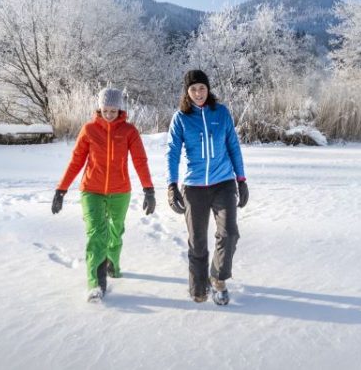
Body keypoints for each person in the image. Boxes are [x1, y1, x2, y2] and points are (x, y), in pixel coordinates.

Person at [52, 87, 157, 302]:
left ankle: (112, 263)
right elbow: (76, 161)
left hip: (120, 191)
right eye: (105, 110)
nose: (109, 115)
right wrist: (61, 190)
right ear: (99, 109)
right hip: (91, 190)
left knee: (115, 232)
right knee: (96, 234)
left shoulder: (129, 131)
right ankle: (96, 283)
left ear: (120, 109)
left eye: (113, 110)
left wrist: (149, 190)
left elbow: (140, 161)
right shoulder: (89, 130)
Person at [166, 70, 249, 305]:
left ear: (208, 89)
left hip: (223, 182)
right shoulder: (181, 118)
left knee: (229, 233)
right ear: (187, 92)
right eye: (193, 89)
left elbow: (233, 146)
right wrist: (172, 185)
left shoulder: (221, 113)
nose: (198, 93)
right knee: (198, 240)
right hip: (194, 187)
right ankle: (198, 284)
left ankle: (218, 279)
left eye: (202, 88)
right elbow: (172, 153)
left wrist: (241, 180)